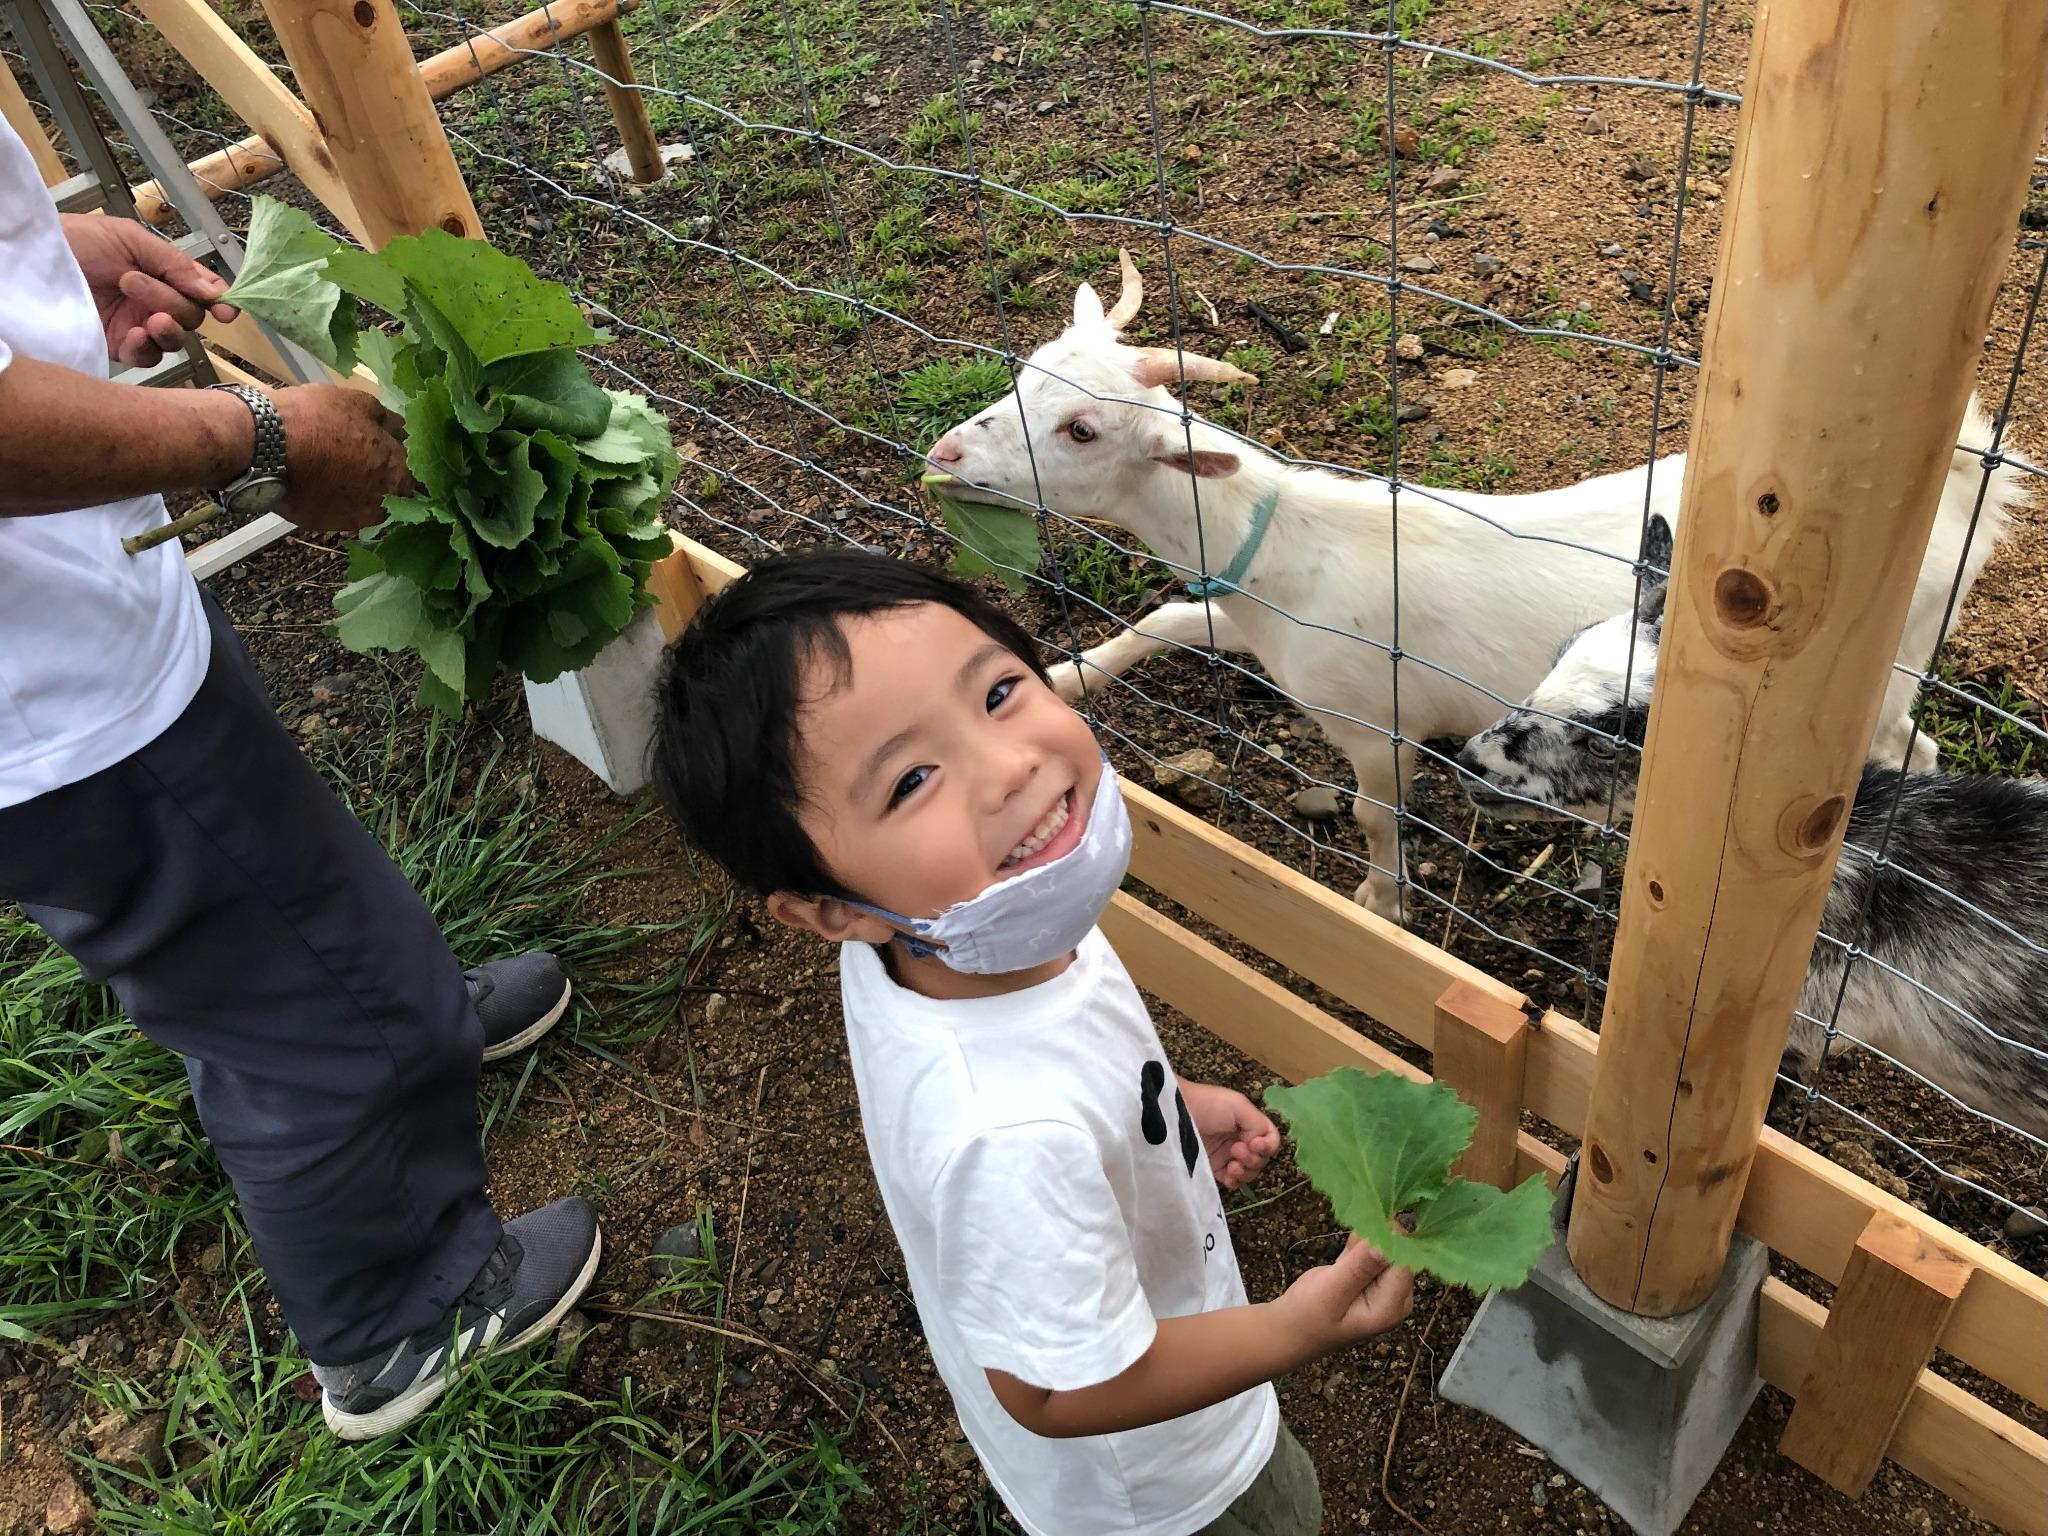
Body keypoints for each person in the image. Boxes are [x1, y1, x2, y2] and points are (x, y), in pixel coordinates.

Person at [0, 122, 600, 1439]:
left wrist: (35, 261)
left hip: (72, 618)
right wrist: (256, 435)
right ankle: (400, 1317)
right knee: (290, 997)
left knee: (281, 888)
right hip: (48, 701)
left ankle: (404, 1009)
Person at [651, 549, 1415, 1536]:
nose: (1007, 765)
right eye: (912, 779)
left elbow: (1057, 1054)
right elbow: (1051, 1393)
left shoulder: (965, 927)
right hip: (1169, 1489)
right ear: (827, 913)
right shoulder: (1002, 1132)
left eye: (1000, 691)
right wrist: (1292, 1326)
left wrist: (1160, 1101)